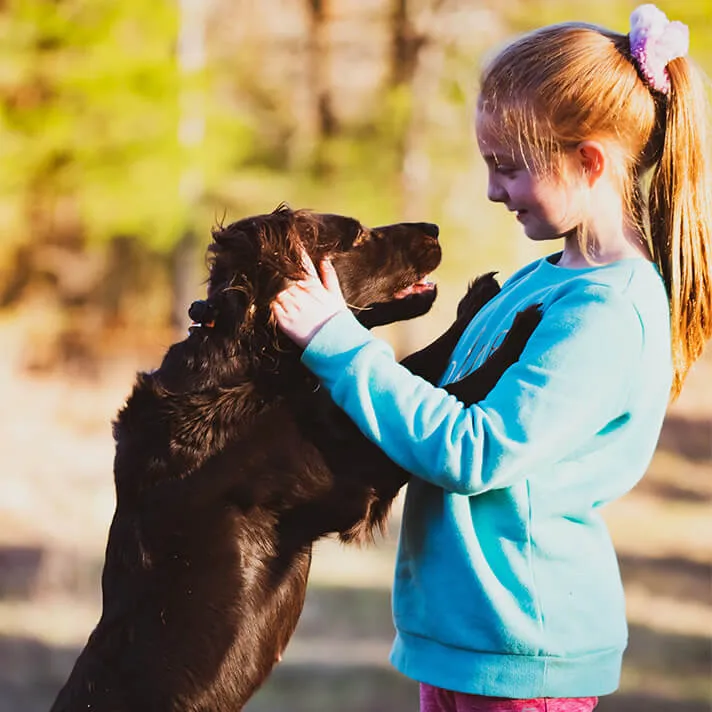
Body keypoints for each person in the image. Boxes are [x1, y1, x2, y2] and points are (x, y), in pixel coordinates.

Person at [270, 5, 712, 711]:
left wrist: (339, 345)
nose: (490, 190)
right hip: (468, 636)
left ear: (588, 160)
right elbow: (437, 403)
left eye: (507, 167)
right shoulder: (545, 282)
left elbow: (476, 449)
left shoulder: (605, 311)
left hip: (521, 648)